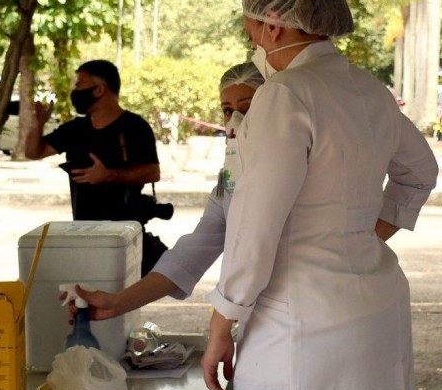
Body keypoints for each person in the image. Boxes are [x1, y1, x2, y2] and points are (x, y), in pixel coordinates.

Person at [201, 0, 439, 390]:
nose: (249, 34)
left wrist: (220, 324)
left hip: (304, 325)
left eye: (250, 23)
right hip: (372, 310)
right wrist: (358, 234)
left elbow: (254, 228)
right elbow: (420, 171)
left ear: (274, 25)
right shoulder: (366, 88)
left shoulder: (285, 95)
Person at [73, 61, 264, 318]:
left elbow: (255, 254)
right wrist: (118, 302)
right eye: (227, 111)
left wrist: (223, 319)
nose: (235, 121)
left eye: (247, 108)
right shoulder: (229, 180)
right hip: (260, 319)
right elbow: (193, 251)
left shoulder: (295, 169)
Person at [25, 59, 163, 274]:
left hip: (125, 234)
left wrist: (108, 175)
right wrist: (38, 123)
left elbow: (153, 172)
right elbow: (34, 152)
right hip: (84, 233)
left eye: (79, 85)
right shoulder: (75, 129)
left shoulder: (135, 127)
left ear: (99, 89)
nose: (75, 91)